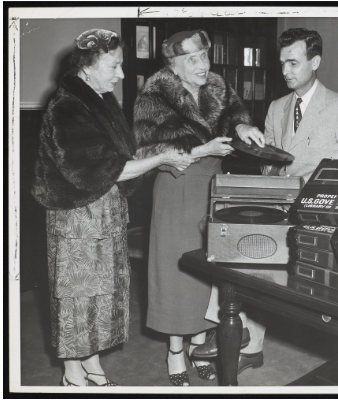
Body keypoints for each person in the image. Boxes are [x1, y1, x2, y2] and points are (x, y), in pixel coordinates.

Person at [193, 28, 338, 374]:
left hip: (316, 215)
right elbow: (272, 167)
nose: (286, 71)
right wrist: (261, 154)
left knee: (253, 250)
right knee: (234, 239)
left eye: (294, 62)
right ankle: (240, 332)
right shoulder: (278, 107)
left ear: (315, 62)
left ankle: (242, 333)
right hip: (280, 208)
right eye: (282, 63)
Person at [32, 29, 195, 387]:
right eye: (115, 65)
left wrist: (162, 156)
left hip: (104, 212)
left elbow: (123, 156)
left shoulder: (98, 98)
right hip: (77, 217)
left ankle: (91, 363)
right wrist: (163, 158)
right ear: (87, 67)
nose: (121, 74)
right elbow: (103, 169)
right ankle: (72, 373)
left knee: (100, 293)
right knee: (77, 294)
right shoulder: (67, 106)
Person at [133, 29, 264, 386]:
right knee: (175, 273)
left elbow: (233, 115)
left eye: (204, 55)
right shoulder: (155, 95)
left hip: (213, 188)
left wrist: (243, 126)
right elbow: (149, 155)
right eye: (192, 58)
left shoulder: (217, 86)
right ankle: (175, 351)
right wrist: (202, 151)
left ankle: (198, 344)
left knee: (208, 273)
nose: (202, 64)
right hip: (177, 189)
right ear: (173, 65)